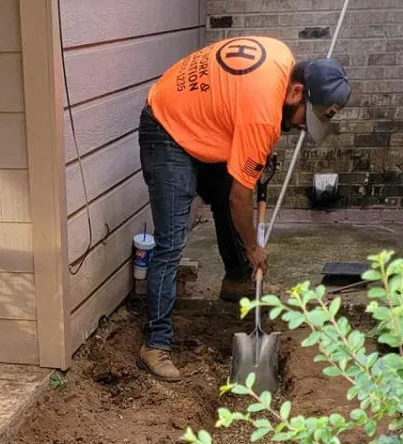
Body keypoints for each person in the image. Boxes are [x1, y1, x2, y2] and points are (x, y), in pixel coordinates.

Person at [137, 36, 350, 381]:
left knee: (222, 194)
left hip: (197, 116)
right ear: (296, 92)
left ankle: (236, 281)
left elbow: (235, 106)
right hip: (167, 127)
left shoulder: (283, 57)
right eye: (302, 120)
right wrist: (254, 247)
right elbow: (241, 197)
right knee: (171, 241)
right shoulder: (263, 118)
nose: (298, 128)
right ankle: (154, 344)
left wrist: (255, 154)